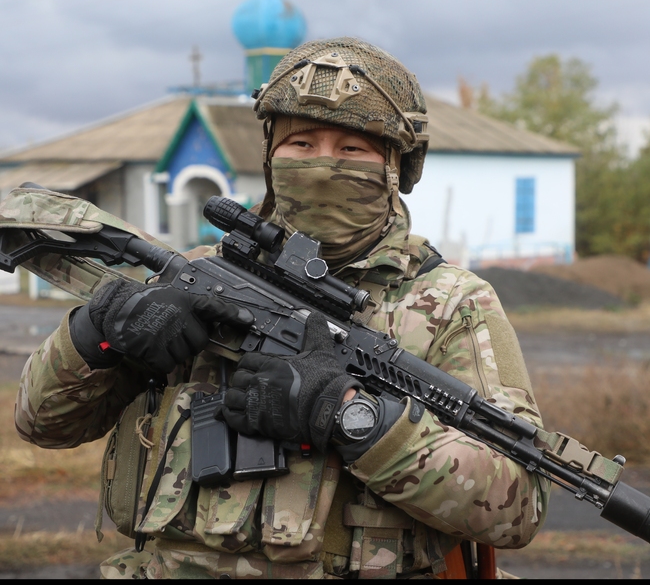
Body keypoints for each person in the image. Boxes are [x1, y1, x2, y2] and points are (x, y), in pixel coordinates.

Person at [14, 37, 549, 579]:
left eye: (352, 148)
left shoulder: (451, 304)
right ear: (271, 157)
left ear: (396, 167)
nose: (322, 163)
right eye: (301, 143)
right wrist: (97, 333)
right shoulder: (198, 276)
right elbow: (41, 425)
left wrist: (350, 415)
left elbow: (518, 507)